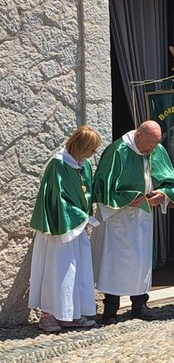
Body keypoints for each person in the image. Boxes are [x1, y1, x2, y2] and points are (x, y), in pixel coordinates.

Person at [91, 120, 174, 325]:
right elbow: (101, 188)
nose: (151, 151)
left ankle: (140, 304)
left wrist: (163, 194)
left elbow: (169, 181)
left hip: (143, 216)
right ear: (138, 135)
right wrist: (125, 199)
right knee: (115, 262)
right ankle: (110, 308)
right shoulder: (117, 151)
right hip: (118, 218)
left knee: (142, 260)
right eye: (148, 146)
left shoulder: (155, 149)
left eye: (155, 146)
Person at [29, 125, 102, 332]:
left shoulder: (83, 165)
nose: (94, 153)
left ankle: (71, 315)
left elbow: (86, 194)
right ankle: (48, 315)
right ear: (80, 146)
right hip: (59, 228)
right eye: (91, 148)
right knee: (58, 271)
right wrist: (81, 218)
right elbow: (56, 199)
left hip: (77, 228)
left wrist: (86, 216)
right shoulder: (58, 164)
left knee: (78, 272)